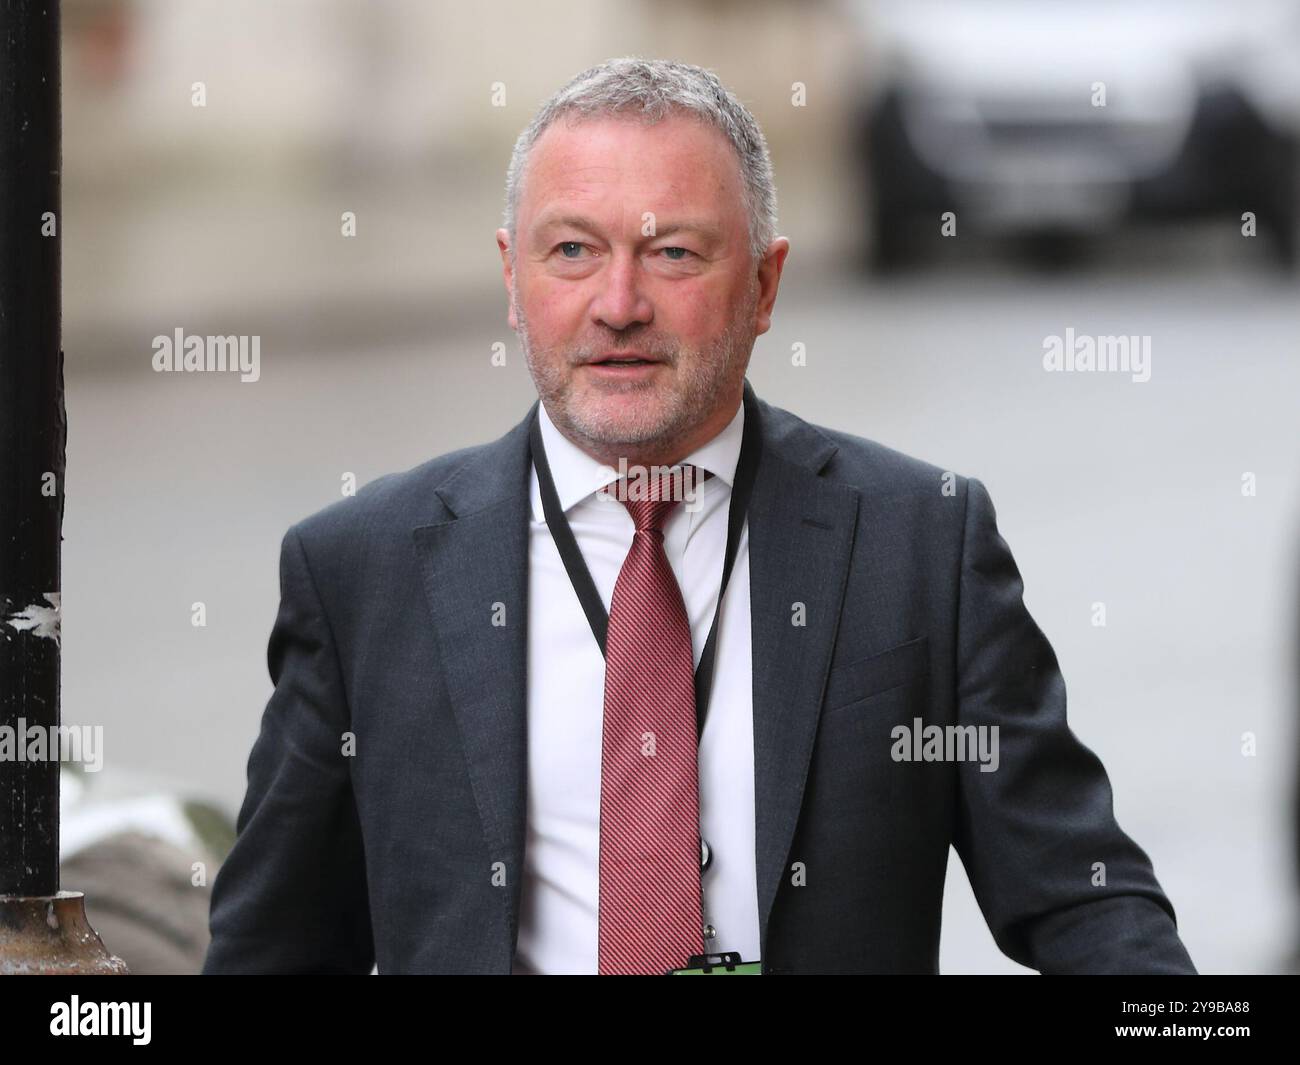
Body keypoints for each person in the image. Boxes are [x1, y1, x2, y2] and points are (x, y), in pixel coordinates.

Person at [202, 57, 1195, 975]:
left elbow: (1082, 900)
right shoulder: (363, 571)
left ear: (764, 284)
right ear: (512, 276)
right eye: (572, 252)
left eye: (673, 252)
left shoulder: (919, 544)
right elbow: (275, 950)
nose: (617, 303)